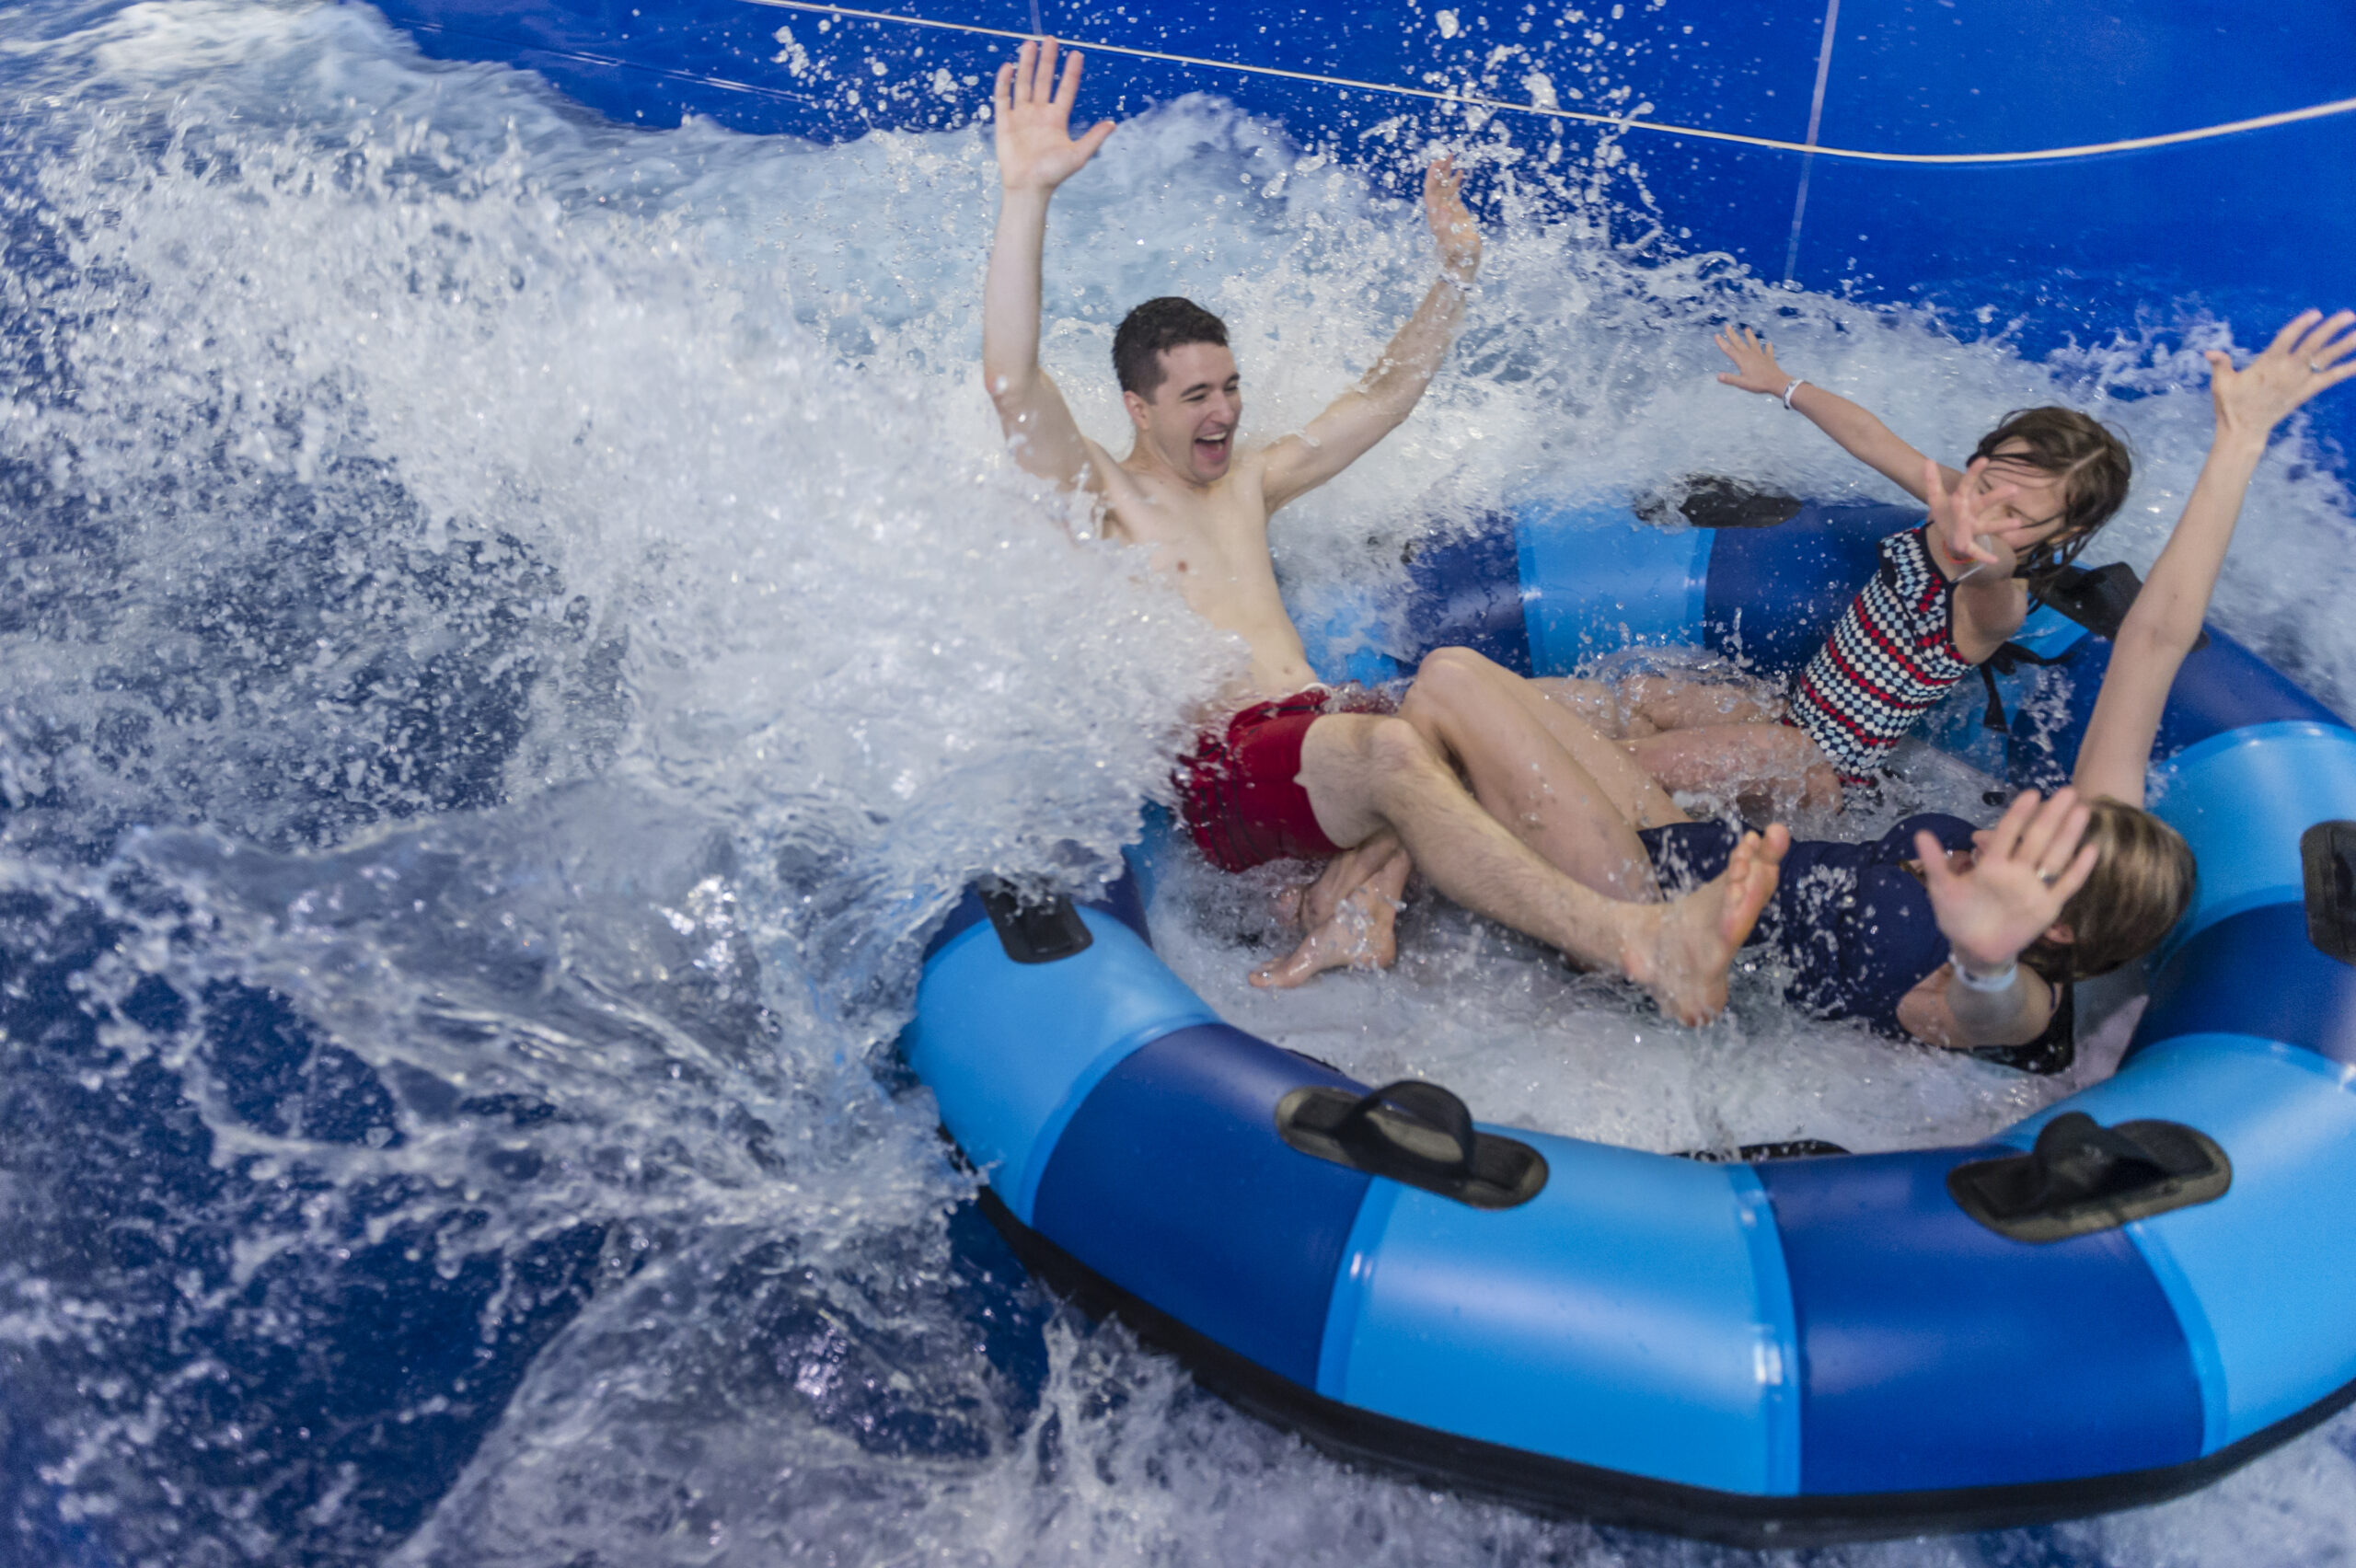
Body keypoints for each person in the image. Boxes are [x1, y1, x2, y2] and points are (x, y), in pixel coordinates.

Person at [1267, 309, 2356, 1066]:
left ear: (2054, 933)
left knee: (1453, 687)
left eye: (2032, 842)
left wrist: (1981, 956)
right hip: (1674, 838)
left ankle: (1364, 890)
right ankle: (1364, 887)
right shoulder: (2066, 843)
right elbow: (2156, 639)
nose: (2023, 810)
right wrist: (2238, 439)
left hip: (1641, 892)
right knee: (1460, 698)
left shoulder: (2014, 999)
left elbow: (1981, 1016)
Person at [979, 38, 1786, 1025]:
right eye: (1196, 396)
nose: (1224, 412)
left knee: (1567, 705)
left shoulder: (1247, 481)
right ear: (1137, 409)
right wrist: (1027, 196)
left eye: (1230, 387)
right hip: (1233, 775)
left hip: (1316, 731)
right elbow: (1012, 383)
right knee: (1400, 754)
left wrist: (1456, 272)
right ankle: (1633, 939)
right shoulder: (1106, 493)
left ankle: (1385, 890)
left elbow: (1384, 394)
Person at [1539, 329, 2135, 813]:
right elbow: (1870, 437)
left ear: (2063, 535)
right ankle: (1478, 726)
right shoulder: (1953, 496)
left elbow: (1991, 571)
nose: (1982, 514)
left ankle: (1516, 785)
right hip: (1788, 717)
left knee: (1636, 766)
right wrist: (1784, 385)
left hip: (1821, 770)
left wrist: (1980, 550)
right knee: (1637, 697)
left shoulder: (1994, 603)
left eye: (2014, 513)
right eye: (1984, 485)